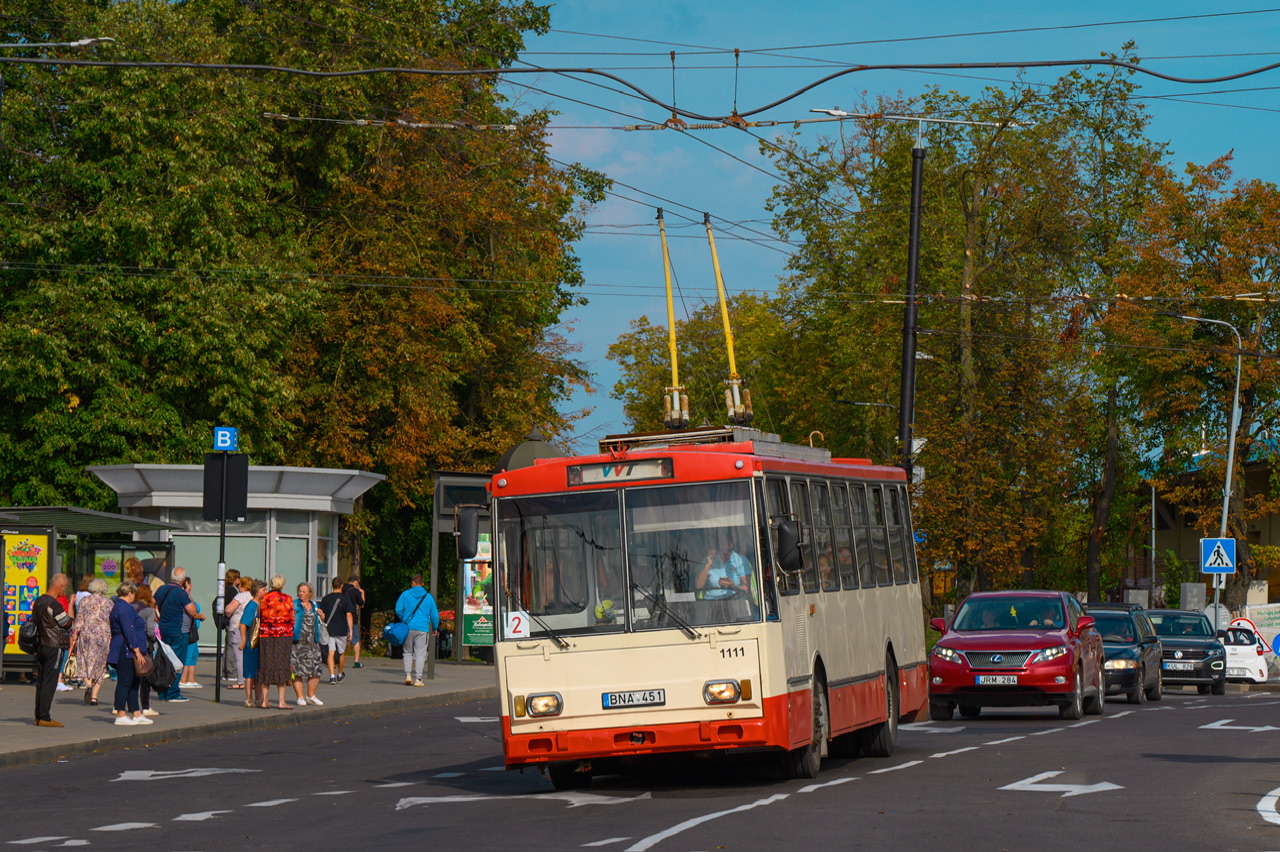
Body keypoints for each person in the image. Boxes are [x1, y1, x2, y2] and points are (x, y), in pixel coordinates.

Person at [108, 581, 153, 726]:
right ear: (130, 593)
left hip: (126, 647)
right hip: (126, 648)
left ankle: (136, 713)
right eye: (134, 593)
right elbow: (129, 630)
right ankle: (120, 714)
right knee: (125, 681)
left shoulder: (121, 606)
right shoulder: (124, 607)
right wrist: (137, 651)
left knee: (134, 681)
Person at [155, 567, 203, 702]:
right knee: (177, 663)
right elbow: (193, 611)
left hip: (164, 630)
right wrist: (188, 593)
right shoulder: (181, 593)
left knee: (166, 661)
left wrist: (157, 617)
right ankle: (173, 693)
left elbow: (152, 604)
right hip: (179, 631)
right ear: (184, 580)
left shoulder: (161, 589)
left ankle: (163, 692)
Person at [31, 573, 72, 727]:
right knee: (50, 681)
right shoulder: (54, 604)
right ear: (60, 586)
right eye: (65, 587)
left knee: (41, 681)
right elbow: (66, 623)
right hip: (54, 645)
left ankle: (38, 716)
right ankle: (45, 717)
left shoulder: (38, 601)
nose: (64, 591)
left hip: (41, 645)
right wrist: (71, 616)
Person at [68, 577, 113, 706]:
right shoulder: (109, 602)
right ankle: (94, 697)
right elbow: (112, 620)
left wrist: (74, 637)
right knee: (100, 665)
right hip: (103, 635)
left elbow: (79, 620)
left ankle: (88, 685)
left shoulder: (85, 600)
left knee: (86, 661)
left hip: (87, 634)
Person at [395, 574, 439, 687]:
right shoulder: (428, 597)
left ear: (413, 583)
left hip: (408, 628)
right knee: (420, 654)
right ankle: (418, 678)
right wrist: (435, 628)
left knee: (407, 651)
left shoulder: (405, 594)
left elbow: (398, 609)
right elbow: (435, 615)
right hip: (422, 628)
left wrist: (404, 618)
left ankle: (408, 675)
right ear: (422, 584)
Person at [258, 574, 295, 709]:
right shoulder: (288, 599)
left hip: (266, 635)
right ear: (282, 585)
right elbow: (292, 618)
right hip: (283, 635)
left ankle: (264, 701)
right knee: (282, 664)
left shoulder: (264, 598)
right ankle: (281, 701)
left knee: (266, 664)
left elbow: (260, 616)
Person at [291, 582, 325, 706]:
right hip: (298, 642)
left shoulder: (314, 605)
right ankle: (300, 697)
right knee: (296, 670)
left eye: (304, 591)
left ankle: (311, 695)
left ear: (310, 593)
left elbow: (321, 620)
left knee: (316, 669)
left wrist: (321, 615)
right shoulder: (294, 604)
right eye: (300, 591)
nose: (301, 593)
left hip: (312, 642)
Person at [132, 584, 160, 717]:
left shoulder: (130, 607)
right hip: (144, 646)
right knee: (145, 677)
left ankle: (119, 706)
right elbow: (150, 631)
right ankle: (146, 707)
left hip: (129, 645)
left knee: (128, 677)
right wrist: (155, 639)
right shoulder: (148, 610)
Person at [695, 535, 752, 600]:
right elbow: (698, 585)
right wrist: (708, 565)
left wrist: (732, 586)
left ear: (731, 545)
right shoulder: (709, 559)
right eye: (721, 543)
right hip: (711, 602)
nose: (723, 546)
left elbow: (747, 589)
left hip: (735, 601)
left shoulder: (740, 560)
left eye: (726, 543)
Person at [320, 577, 353, 685]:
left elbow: (323, 617)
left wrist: (321, 616)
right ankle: (339, 674)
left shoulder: (326, 599)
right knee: (341, 653)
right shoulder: (345, 598)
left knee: (331, 652)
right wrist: (351, 630)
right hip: (341, 629)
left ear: (331, 585)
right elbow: (349, 615)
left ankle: (332, 676)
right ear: (342, 585)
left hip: (329, 630)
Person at [239, 581, 267, 709]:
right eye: (263, 590)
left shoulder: (262, 605)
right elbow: (243, 624)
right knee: (250, 671)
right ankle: (249, 698)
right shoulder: (252, 605)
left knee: (259, 672)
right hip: (252, 642)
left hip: (261, 642)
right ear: (256, 592)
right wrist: (243, 640)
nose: (266, 592)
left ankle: (258, 698)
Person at [226, 576, 254, 689]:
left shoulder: (241, 596)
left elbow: (228, 610)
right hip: (251, 627)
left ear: (241, 585)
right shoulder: (254, 596)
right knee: (250, 655)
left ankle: (241, 681)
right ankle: (251, 680)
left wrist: (229, 615)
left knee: (239, 655)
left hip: (237, 626)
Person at [179, 576, 202, 688]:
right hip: (188, 631)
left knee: (194, 654)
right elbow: (194, 610)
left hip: (194, 631)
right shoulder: (184, 597)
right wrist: (200, 616)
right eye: (190, 584)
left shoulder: (188, 596)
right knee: (188, 655)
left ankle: (191, 679)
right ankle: (183, 680)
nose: (192, 586)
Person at [220, 568, 242, 684]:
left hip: (227, 622)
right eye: (238, 577)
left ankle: (226, 672)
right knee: (232, 648)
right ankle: (231, 672)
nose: (240, 580)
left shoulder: (226, 590)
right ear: (234, 578)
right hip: (231, 622)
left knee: (228, 647)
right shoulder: (232, 591)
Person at [343, 576, 365, 668]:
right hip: (352, 618)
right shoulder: (355, 591)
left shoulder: (341, 588)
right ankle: (356, 662)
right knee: (355, 640)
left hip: (340, 618)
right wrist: (362, 593)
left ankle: (336, 661)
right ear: (356, 582)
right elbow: (362, 604)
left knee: (339, 639)